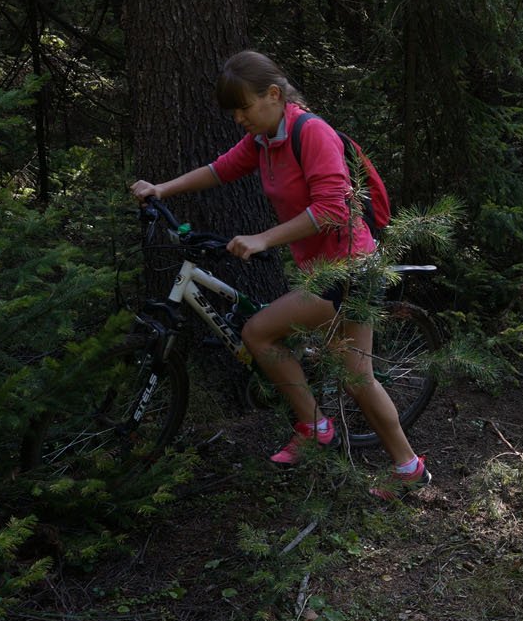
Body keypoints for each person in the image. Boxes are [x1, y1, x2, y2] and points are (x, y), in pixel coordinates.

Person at [129, 50, 430, 497]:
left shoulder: (312, 134)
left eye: (244, 107)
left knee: (260, 333)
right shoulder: (265, 139)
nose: (238, 119)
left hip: (350, 268)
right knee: (354, 376)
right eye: (233, 111)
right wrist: (163, 188)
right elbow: (221, 169)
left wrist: (264, 238)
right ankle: (404, 467)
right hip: (326, 269)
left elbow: (331, 209)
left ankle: (317, 427)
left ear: (273, 95)